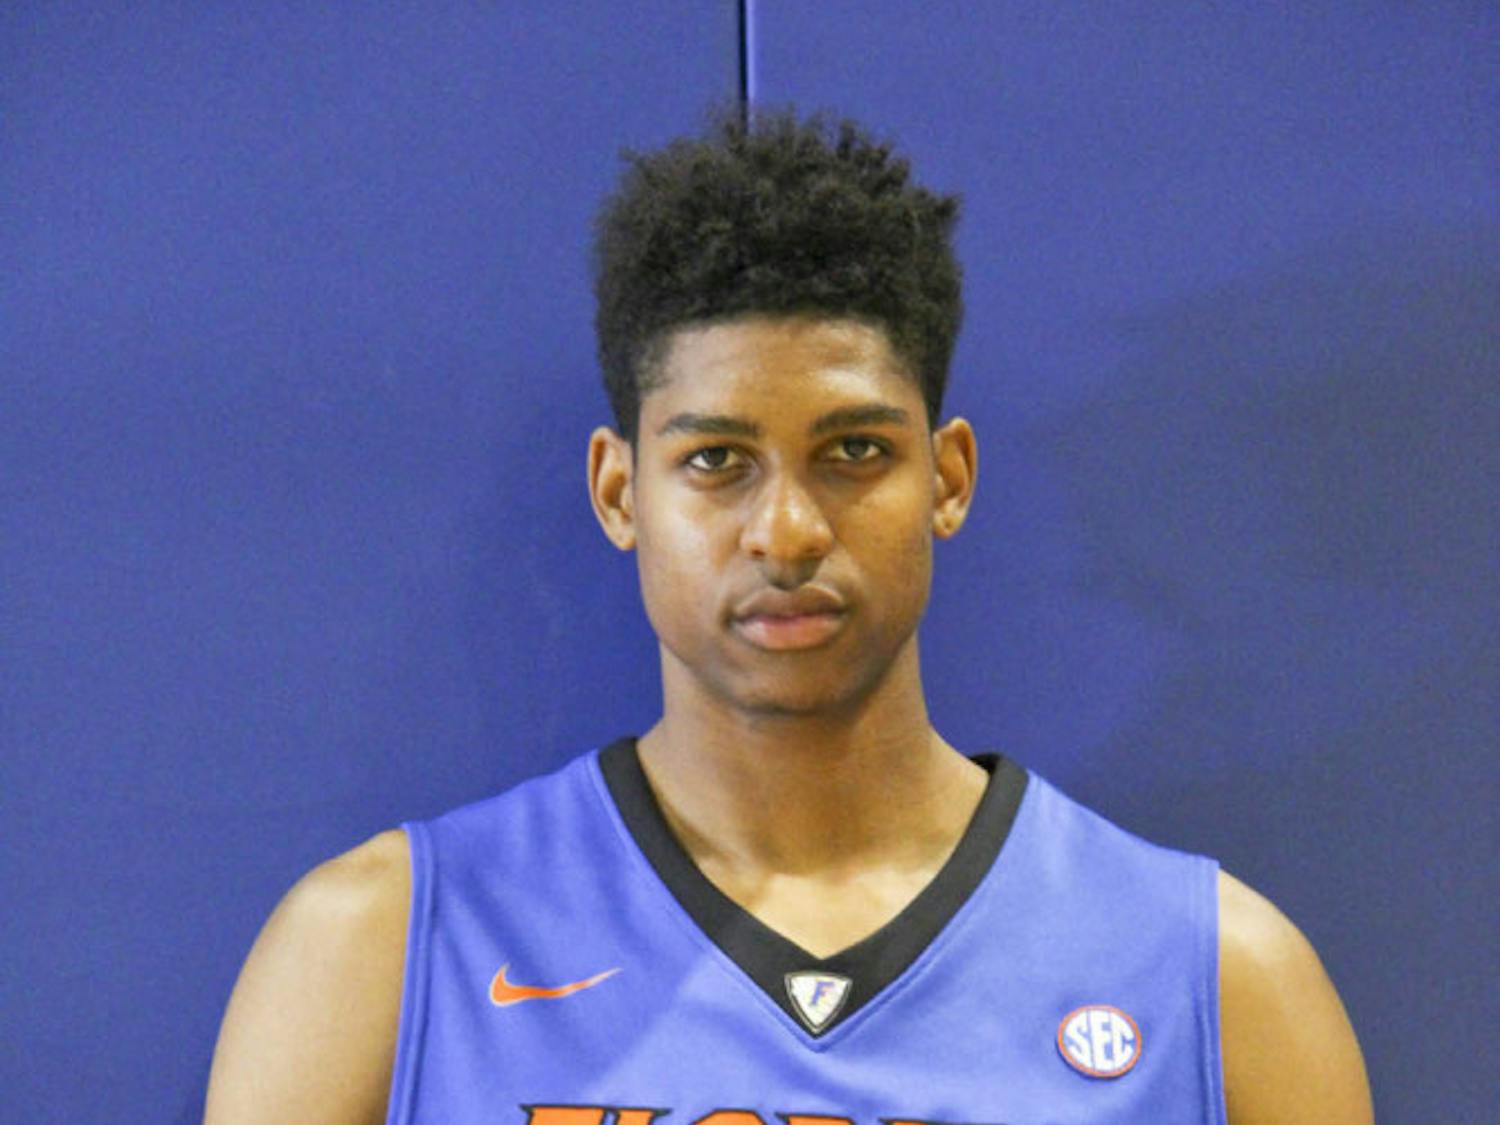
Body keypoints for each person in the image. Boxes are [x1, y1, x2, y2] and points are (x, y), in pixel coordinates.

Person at [205, 110, 1372, 1124]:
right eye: (716, 461)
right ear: (621, 493)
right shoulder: (384, 951)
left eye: (854, 452)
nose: (788, 531)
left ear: (949, 479)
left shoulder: (1216, 979)